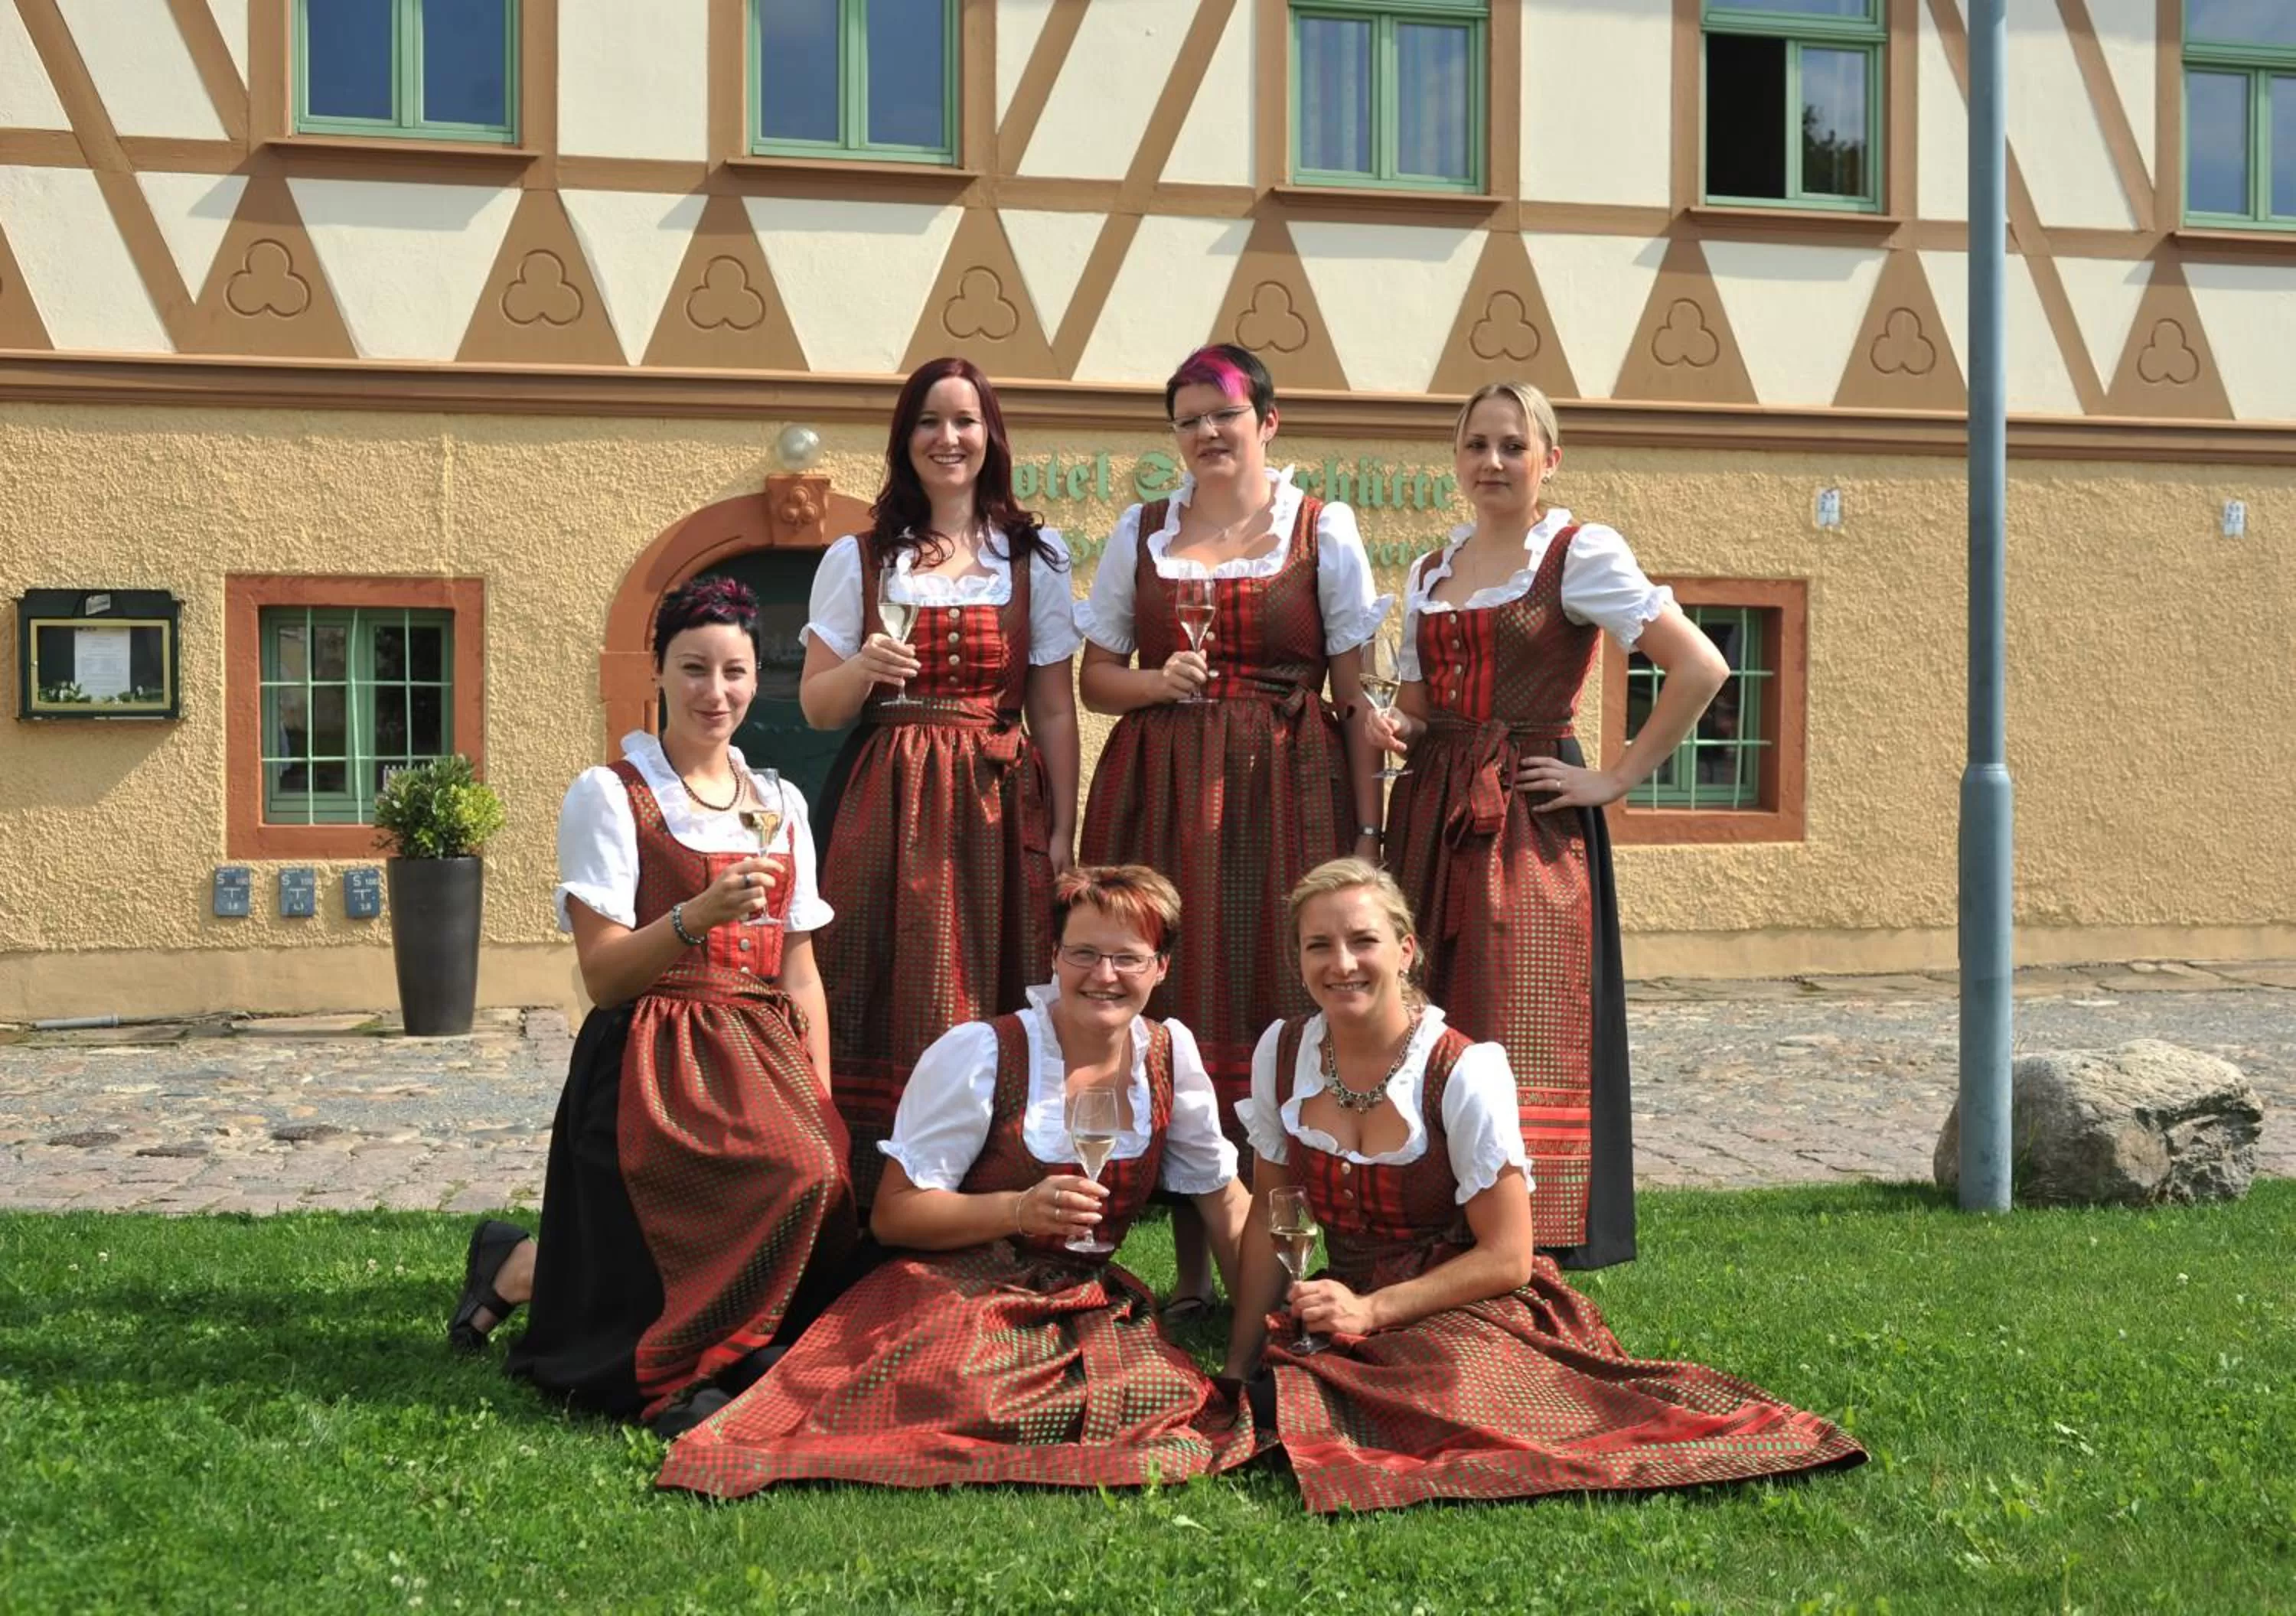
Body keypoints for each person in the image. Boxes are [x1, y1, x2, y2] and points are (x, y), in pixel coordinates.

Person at [1223, 859, 1863, 1513]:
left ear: (1406, 950)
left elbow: (1507, 1258)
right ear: (1298, 958)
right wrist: (1237, 1364)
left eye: (1363, 941)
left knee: (1445, 1389)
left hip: (1461, 1299)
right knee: (1285, 1384)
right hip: (1352, 1293)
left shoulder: (1461, 1069)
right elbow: (1277, 1222)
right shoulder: (1285, 1051)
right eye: (1318, 945)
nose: (1342, 963)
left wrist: (1374, 1311)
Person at [655, 866, 1257, 1497]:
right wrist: (1018, 1209)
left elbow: (1225, 1203)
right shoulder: (985, 1051)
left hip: (1084, 1298)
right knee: (976, 1390)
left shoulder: (1168, 1056)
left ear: (1160, 967)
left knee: (1161, 1395)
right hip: (961, 1287)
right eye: (1083, 954)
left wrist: (1257, 1338)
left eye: (1127, 959)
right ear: (1055, 957)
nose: (1103, 976)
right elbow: (894, 1214)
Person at [445, 577, 856, 1432]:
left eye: (736, 672)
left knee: (817, 1170)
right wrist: (692, 918)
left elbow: (801, 968)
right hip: (653, 1042)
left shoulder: (781, 805)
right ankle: (696, 1354)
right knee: (764, 1180)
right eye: (695, 669)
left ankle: (523, 1268)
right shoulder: (611, 795)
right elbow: (603, 976)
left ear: (757, 680)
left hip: (762, 1042)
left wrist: (819, 1092)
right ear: (660, 674)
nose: (717, 692)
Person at [1373, 381, 1728, 1269]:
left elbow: (1700, 667)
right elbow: (1419, 707)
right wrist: (1397, 727)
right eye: (1476, 446)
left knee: (1515, 1013)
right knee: (1432, 1010)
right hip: (1431, 812)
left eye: (1511, 447)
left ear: (1548, 460)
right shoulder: (1429, 572)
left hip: (1527, 819)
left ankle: (1538, 1237)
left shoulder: (1578, 553)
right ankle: (1439, 1224)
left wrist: (1614, 776)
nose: (1491, 463)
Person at [1076, 343, 1386, 1320]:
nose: (1208, 433)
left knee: (1268, 1003)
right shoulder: (1141, 530)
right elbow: (1094, 680)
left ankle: (1287, 1260)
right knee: (1175, 999)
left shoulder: (1321, 527)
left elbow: (1355, 690)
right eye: (1189, 419)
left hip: (1286, 792)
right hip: (1162, 793)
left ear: (1269, 423)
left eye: (1225, 414)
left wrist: (1365, 831)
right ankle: (1196, 1274)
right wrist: (1156, 681)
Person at [801, 357, 1083, 1214]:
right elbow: (816, 708)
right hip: (889, 798)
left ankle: (996, 1190)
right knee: (881, 980)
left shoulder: (1034, 557)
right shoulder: (861, 557)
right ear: (905, 438)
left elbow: (1056, 711)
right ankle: (870, 1195)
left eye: (964, 421)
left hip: (999, 800)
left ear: (990, 435)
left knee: (999, 976)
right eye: (929, 421)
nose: (948, 438)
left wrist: (1065, 831)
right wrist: (862, 669)